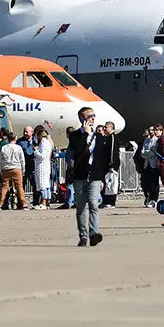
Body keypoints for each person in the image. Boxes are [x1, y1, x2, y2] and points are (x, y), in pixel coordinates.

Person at [67, 106, 111, 247]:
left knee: (93, 205)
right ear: (82, 119)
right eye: (90, 116)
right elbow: (78, 152)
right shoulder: (75, 136)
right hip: (80, 175)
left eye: (94, 115)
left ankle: (94, 233)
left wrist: (103, 176)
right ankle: (83, 236)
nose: (93, 118)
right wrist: (85, 135)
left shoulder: (99, 136)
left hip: (95, 175)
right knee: (80, 207)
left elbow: (101, 157)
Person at [0, 133, 27, 210]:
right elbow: (22, 159)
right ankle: (24, 203)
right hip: (17, 168)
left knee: (4, 187)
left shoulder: (4, 148)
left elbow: (0, 160)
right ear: (15, 138)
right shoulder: (18, 148)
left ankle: (0, 204)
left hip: (6, 168)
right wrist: (23, 170)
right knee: (19, 186)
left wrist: (1, 170)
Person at [32, 125, 54, 209]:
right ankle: (47, 202)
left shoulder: (44, 143)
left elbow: (43, 155)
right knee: (46, 184)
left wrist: (35, 151)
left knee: (43, 184)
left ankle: (44, 202)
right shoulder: (46, 142)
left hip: (42, 166)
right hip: (44, 165)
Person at [17, 126, 37, 205]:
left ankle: (36, 202)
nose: (25, 133)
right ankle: (20, 202)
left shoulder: (36, 140)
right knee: (21, 185)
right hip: (23, 167)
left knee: (35, 185)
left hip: (33, 166)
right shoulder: (20, 141)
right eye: (24, 132)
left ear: (31, 132)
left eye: (27, 132)